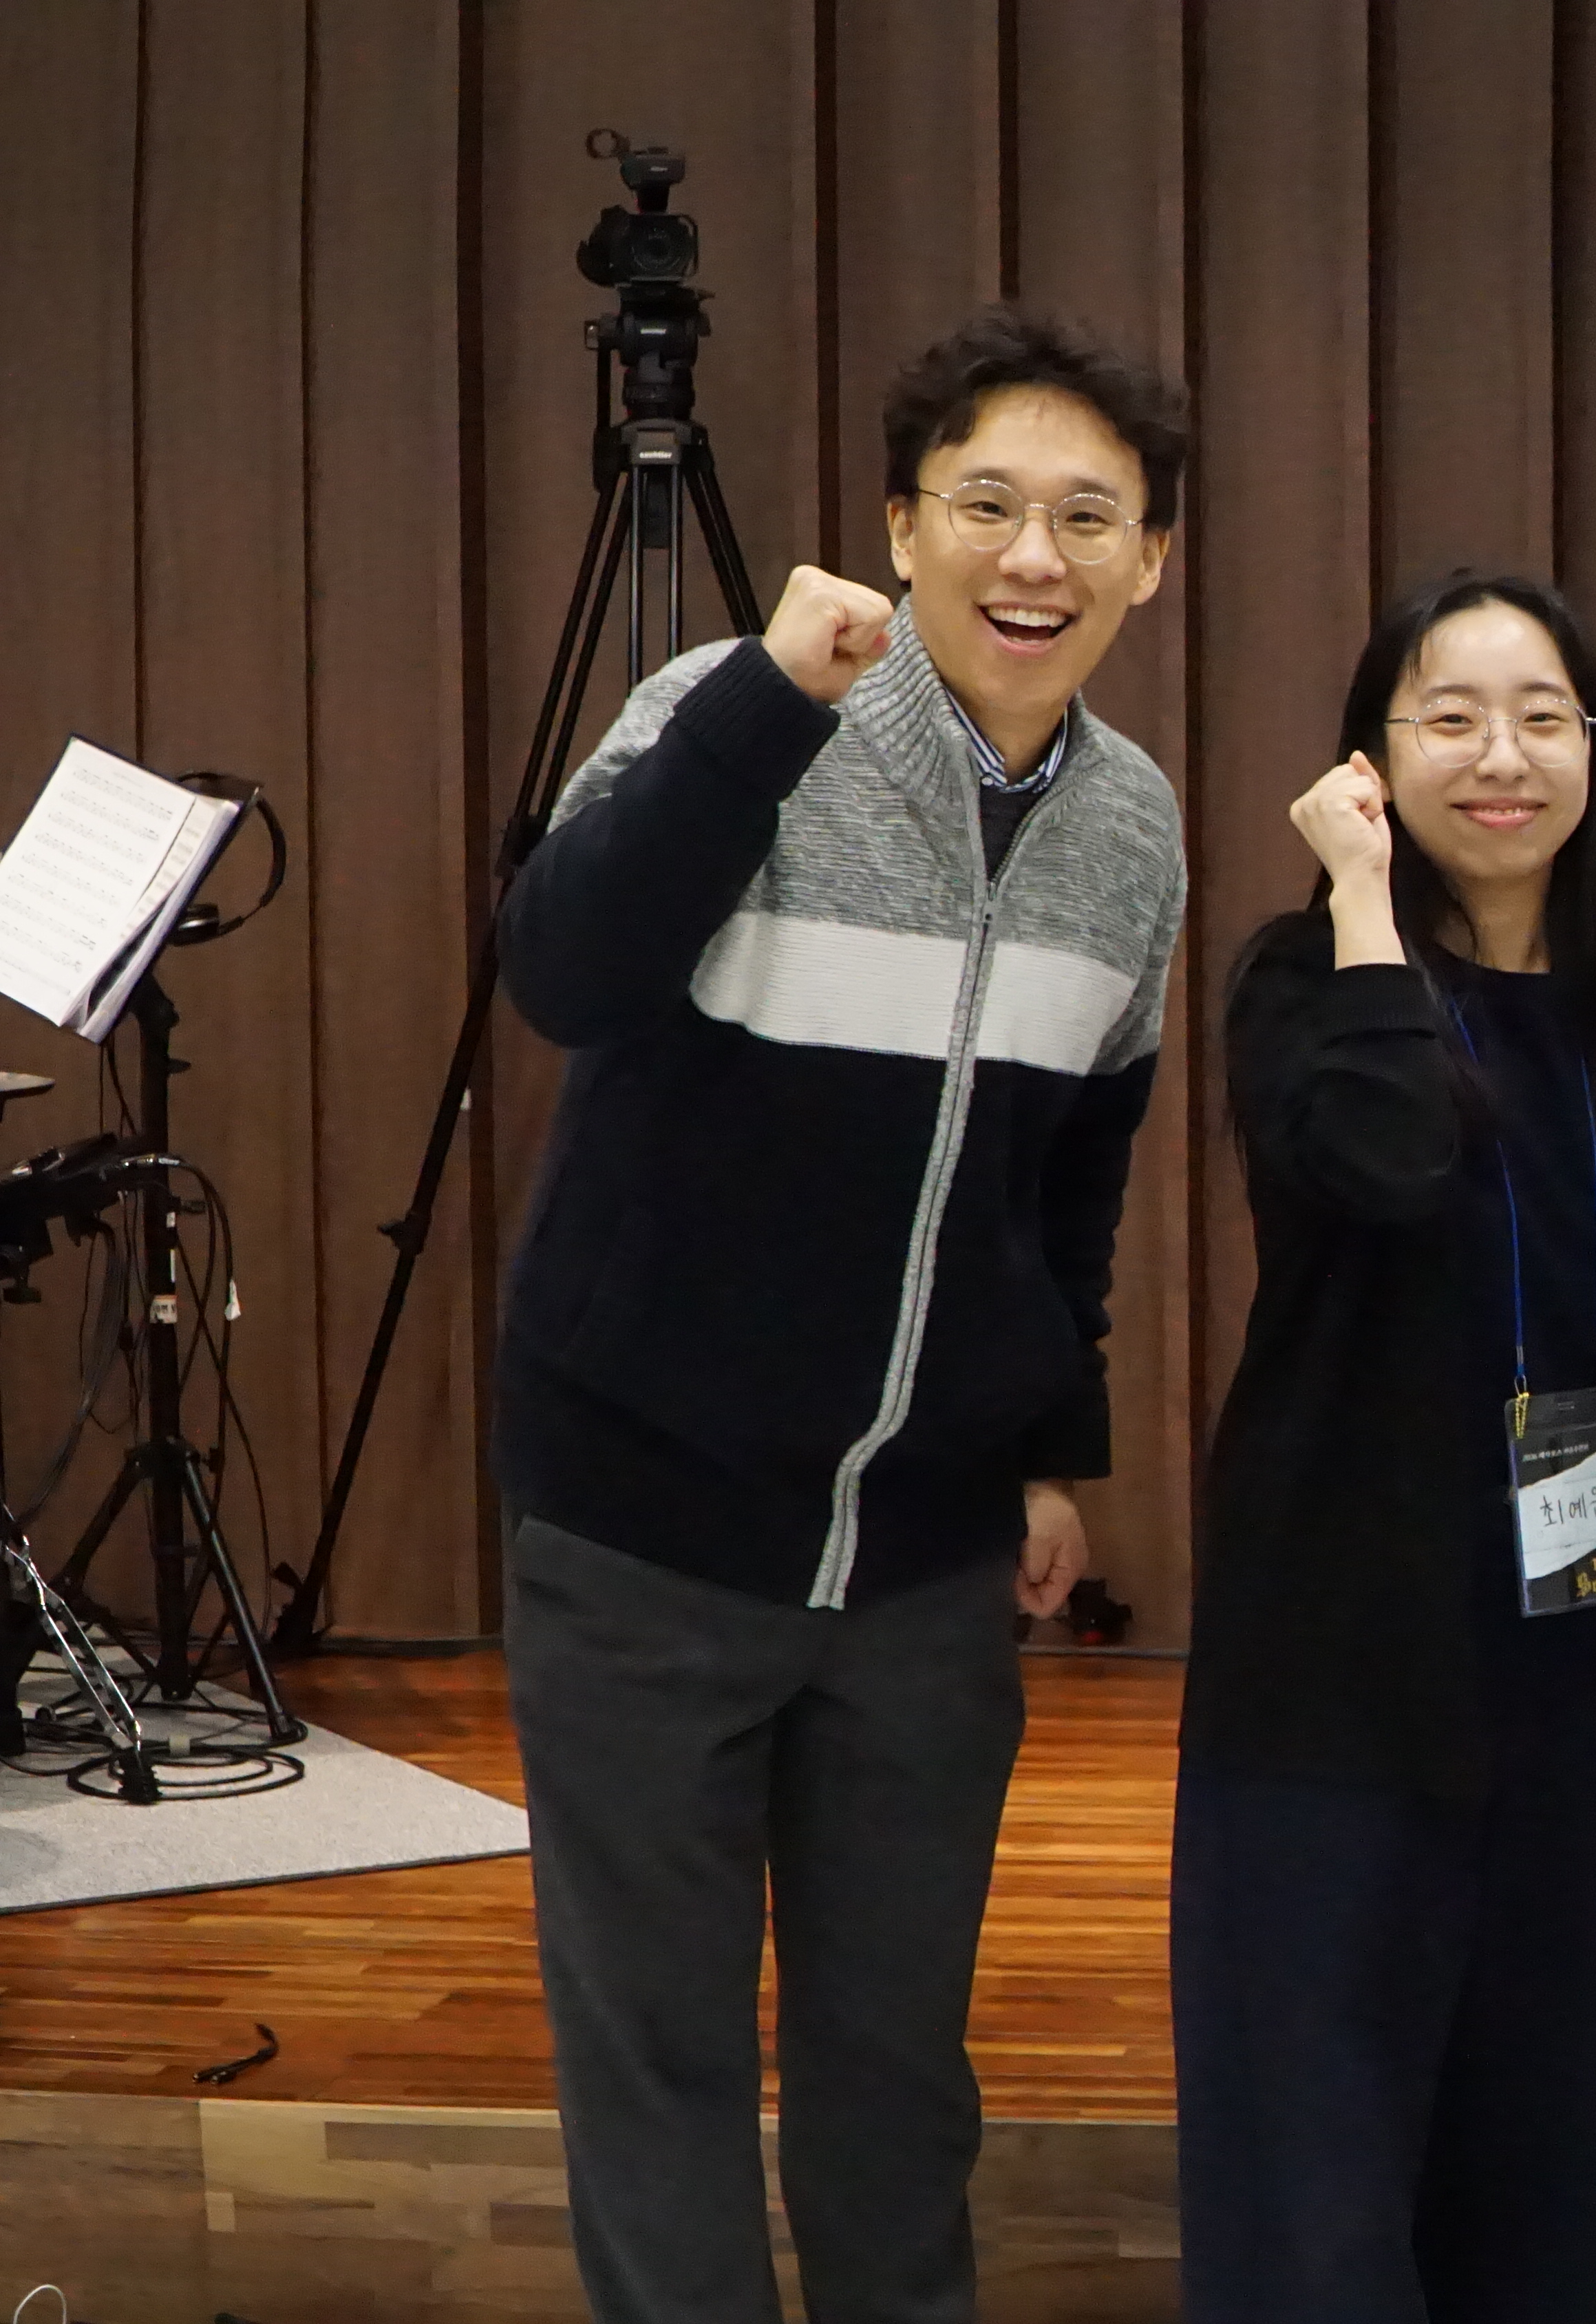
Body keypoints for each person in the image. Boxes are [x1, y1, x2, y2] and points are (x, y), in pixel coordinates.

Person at [490, 307, 1189, 2323]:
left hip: (926, 1566)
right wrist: (761, 711)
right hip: (643, 1524)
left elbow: (1074, 1176)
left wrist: (1052, 1450)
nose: (1034, 557)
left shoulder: (1132, 826)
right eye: (987, 503)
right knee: (662, 2063)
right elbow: (562, 970)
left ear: (1151, 562)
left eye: (1089, 517)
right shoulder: (734, 708)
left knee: (896, 2076)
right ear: (899, 525)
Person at [1172, 573, 1596, 2323]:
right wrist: (1360, 900)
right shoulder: (1304, 979)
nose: (1504, 757)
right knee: (1317, 2197)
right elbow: (1389, 1158)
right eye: (1452, 717)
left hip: (1580, 1685)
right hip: (1341, 1678)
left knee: (1556, 2189)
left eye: (1545, 717)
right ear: (1374, 756)